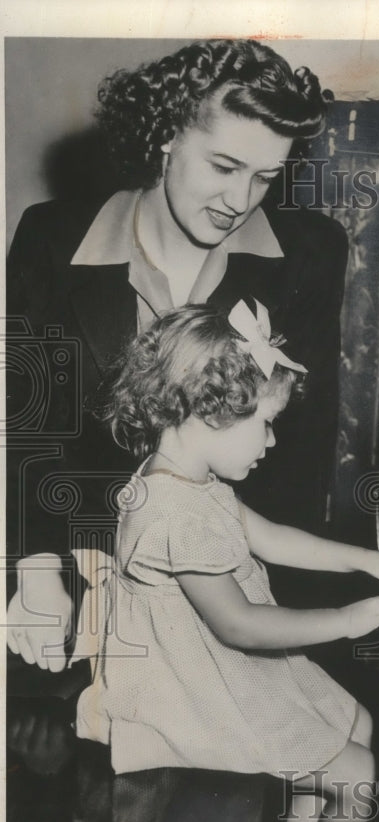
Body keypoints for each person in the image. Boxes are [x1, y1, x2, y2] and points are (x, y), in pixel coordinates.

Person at [6, 37, 348, 672]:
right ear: (164, 137)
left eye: (265, 176)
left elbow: (302, 454)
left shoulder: (311, 252)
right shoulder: (50, 238)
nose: (241, 200)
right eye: (223, 166)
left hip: (228, 578)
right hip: (70, 566)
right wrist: (34, 565)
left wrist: (262, 619)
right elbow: (22, 425)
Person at [75, 300, 379, 822]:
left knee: (358, 721)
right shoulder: (174, 515)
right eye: (264, 423)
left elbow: (275, 539)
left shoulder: (190, 482)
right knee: (360, 774)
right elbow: (239, 624)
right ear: (209, 413)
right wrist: (347, 619)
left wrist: (368, 561)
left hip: (220, 664)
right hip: (190, 692)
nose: (272, 439)